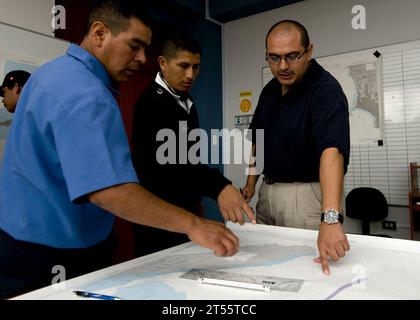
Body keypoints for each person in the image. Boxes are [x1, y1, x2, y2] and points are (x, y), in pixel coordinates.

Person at [0, 0, 239, 300]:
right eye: (135, 46)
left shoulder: (51, 74)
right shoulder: (87, 93)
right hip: (53, 253)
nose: (142, 59)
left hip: (21, 242)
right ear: (99, 33)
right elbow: (108, 190)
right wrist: (193, 224)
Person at [241, 20, 351, 275]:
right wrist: (249, 186)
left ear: (309, 51)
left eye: (292, 56)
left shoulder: (326, 90)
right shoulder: (270, 90)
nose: (282, 66)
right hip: (267, 195)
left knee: (307, 276)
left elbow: (331, 152)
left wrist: (330, 218)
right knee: (267, 270)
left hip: (307, 199)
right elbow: (259, 139)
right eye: (274, 58)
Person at [131, 33, 255, 257]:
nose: (191, 75)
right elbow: (175, 165)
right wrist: (219, 186)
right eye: (184, 66)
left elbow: (191, 159)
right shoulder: (153, 103)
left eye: (196, 67)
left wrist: (197, 199)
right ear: (162, 63)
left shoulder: (187, 102)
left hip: (184, 213)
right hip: (159, 218)